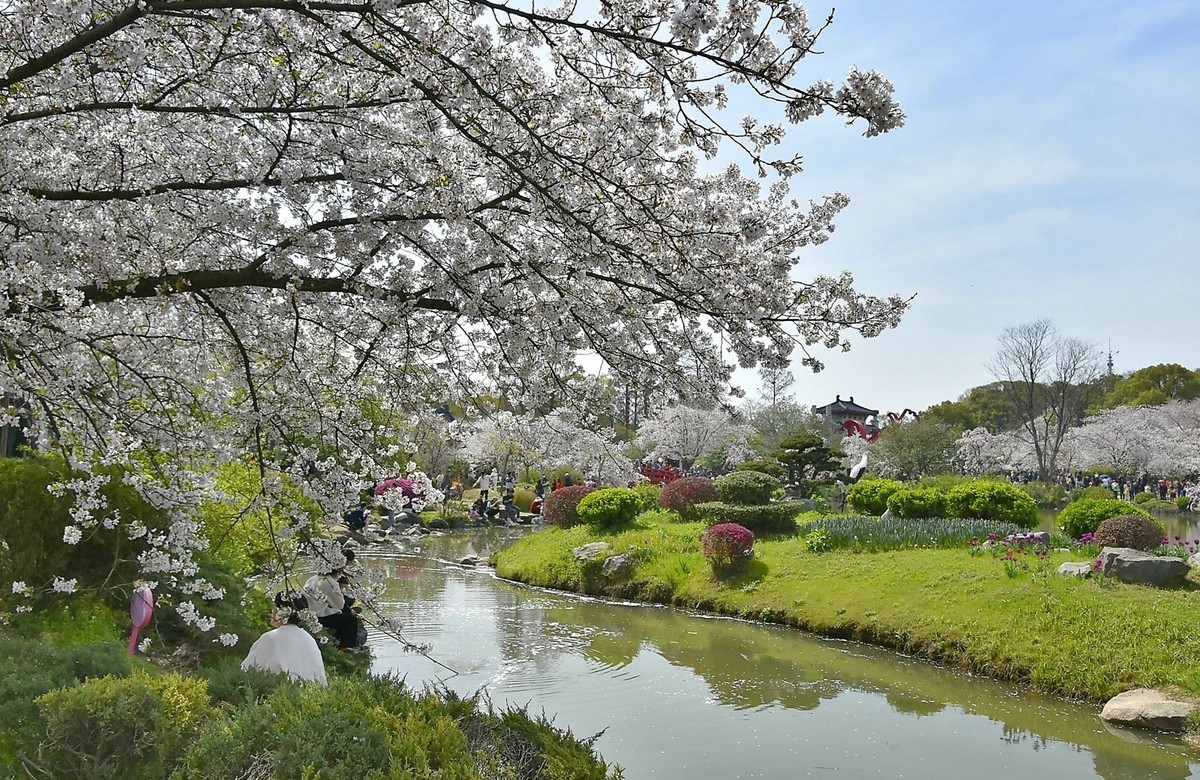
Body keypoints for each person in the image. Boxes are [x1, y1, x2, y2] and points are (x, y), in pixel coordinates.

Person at [241, 592, 327, 685]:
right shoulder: (309, 639)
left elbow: (246, 671)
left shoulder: (270, 638)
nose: (272, 610)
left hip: (280, 694)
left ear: (280, 611)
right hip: (312, 695)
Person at [303, 562, 361, 650]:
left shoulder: (313, 579)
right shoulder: (330, 583)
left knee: (347, 607)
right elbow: (340, 606)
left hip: (310, 612)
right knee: (350, 620)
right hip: (319, 617)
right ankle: (346, 647)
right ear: (337, 572)